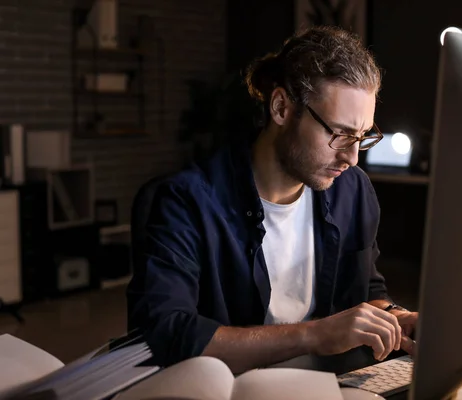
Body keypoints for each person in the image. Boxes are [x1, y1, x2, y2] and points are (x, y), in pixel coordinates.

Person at [126, 25, 418, 373]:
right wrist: (313, 336)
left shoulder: (352, 190)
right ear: (281, 108)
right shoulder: (185, 201)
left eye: (362, 136)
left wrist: (394, 316)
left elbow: (366, 285)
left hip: (323, 384)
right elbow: (165, 332)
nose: (352, 157)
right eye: (339, 134)